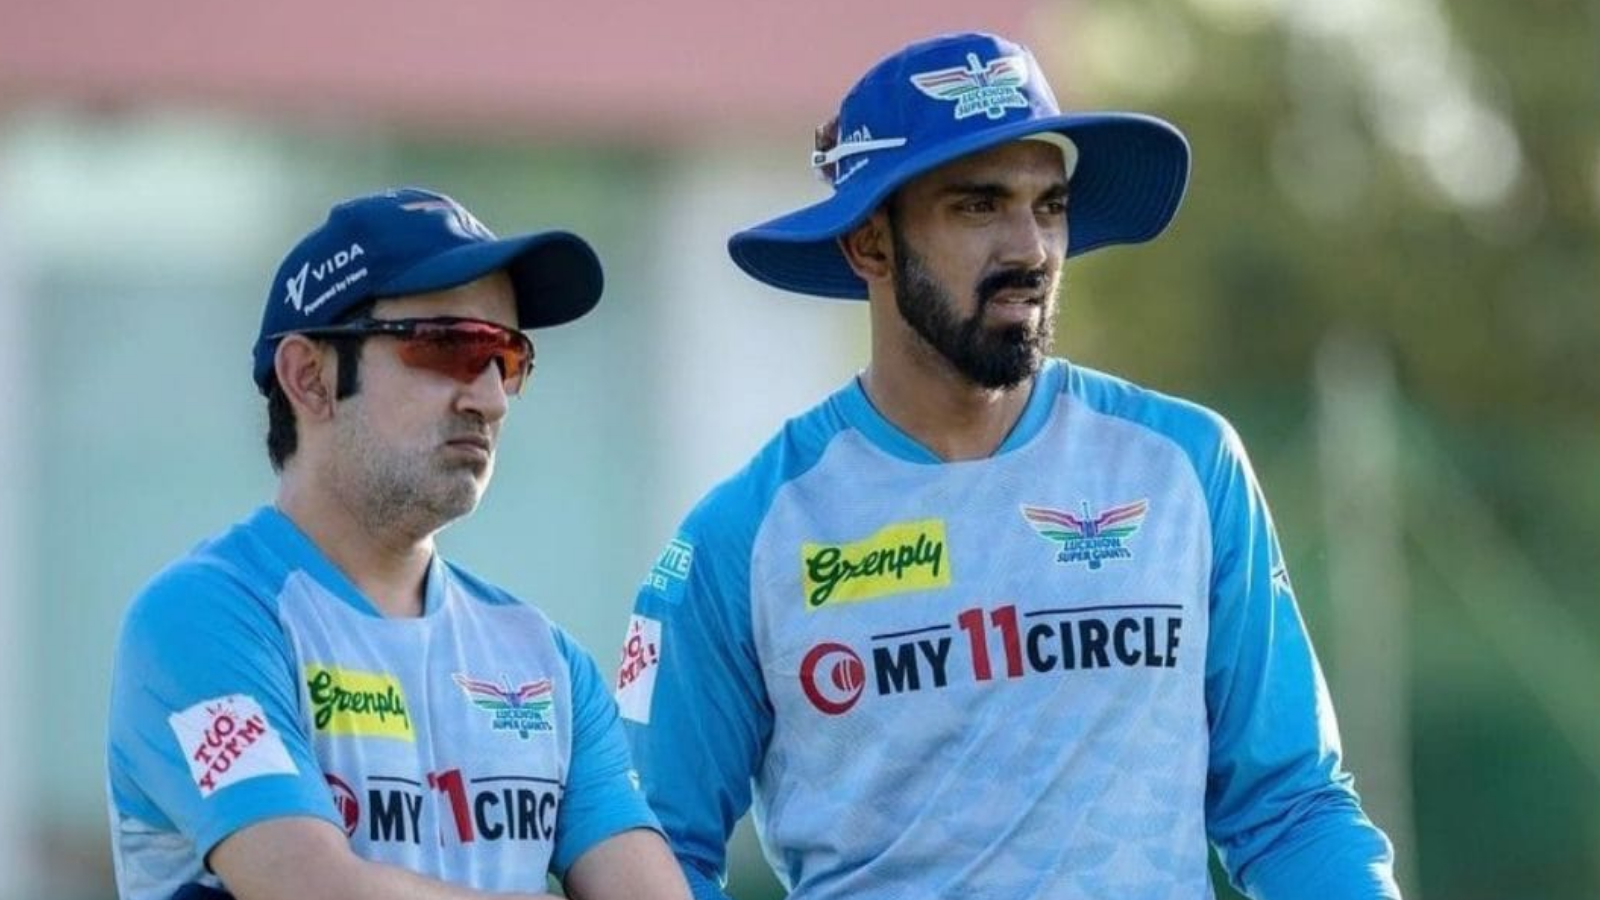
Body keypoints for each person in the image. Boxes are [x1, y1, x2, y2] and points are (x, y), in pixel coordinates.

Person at [616, 31, 1402, 900]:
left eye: (1051, 204)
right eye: (978, 206)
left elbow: (1289, 807)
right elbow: (648, 857)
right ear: (869, 245)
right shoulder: (744, 536)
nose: (1030, 248)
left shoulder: (1186, 467)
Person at [106, 188, 691, 900]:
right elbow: (317, 891)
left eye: (507, 357)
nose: (492, 398)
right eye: (450, 346)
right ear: (310, 378)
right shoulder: (199, 620)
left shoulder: (546, 659)